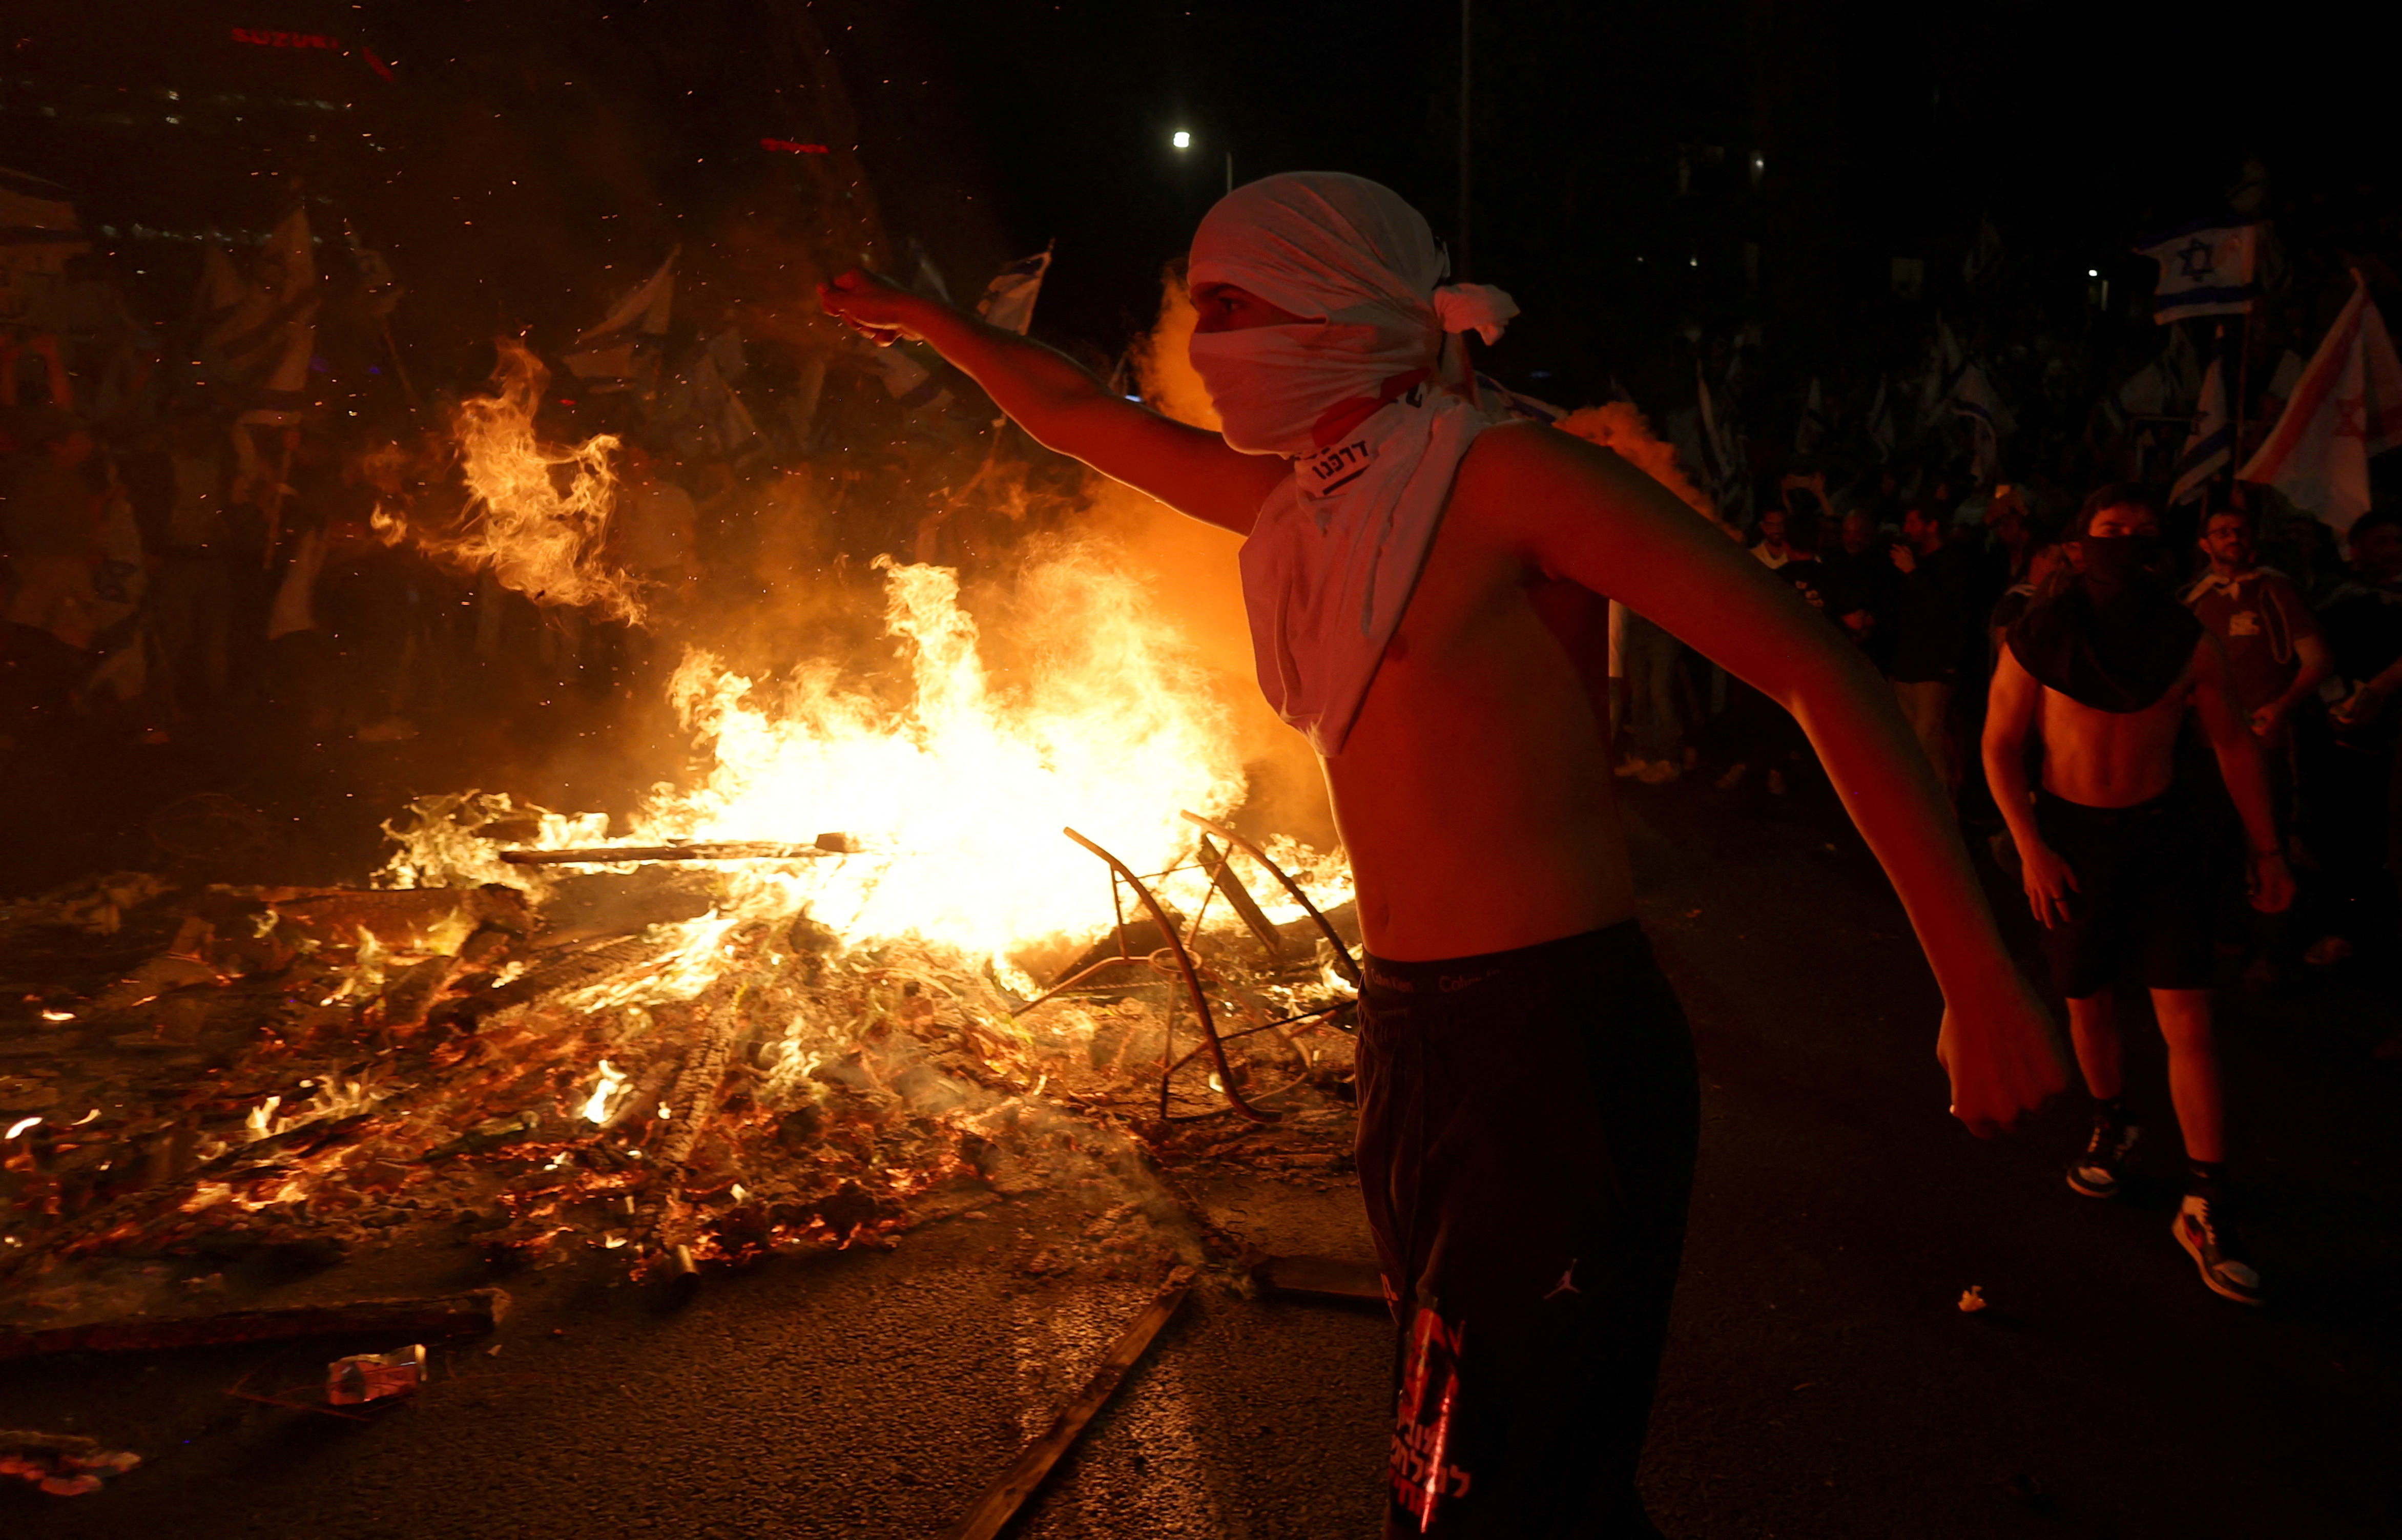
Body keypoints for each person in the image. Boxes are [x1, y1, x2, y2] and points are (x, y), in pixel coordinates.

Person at [821, 172, 2060, 1538]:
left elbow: (1820, 672)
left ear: (1335, 305)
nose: (1203, 342)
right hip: (1411, 1039)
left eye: (1232, 307)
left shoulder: (1509, 476)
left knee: (1484, 1492)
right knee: (1524, 1479)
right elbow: (1074, 413)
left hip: (1548, 1045)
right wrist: (930, 323)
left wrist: (1974, 977)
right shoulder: (1301, 504)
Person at [1984, 485, 2293, 1307]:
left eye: (2142, 532)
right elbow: (1999, 745)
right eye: (2110, 530)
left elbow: (2233, 746)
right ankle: (2112, 1120)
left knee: (2188, 1019)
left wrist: (2268, 849)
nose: (2126, 542)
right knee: (2086, 1002)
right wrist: (2033, 848)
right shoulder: (2040, 635)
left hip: (2161, 840)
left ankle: (2207, 1200)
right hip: (2072, 844)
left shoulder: (2185, 641)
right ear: (2081, 544)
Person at [1887, 501, 1977, 797]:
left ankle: (1942, 803)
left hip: (1934, 668)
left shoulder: (1953, 562)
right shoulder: (1913, 562)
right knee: (1906, 740)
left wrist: (1913, 573)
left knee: (1928, 738)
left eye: (1913, 523)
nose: (1907, 529)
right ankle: (1912, 801)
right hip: (1906, 665)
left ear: (1932, 525)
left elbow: (1945, 611)